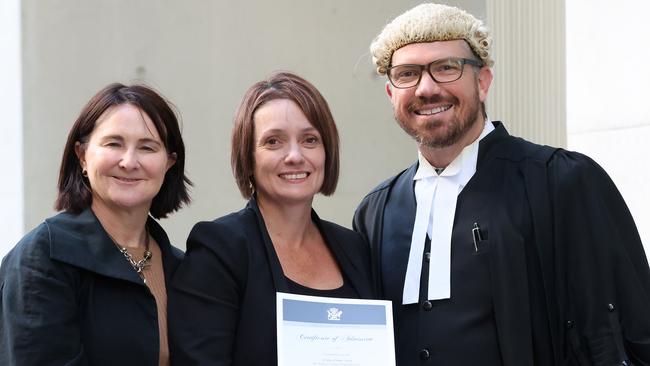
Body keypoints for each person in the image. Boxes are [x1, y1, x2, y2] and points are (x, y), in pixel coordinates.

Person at [353, 3, 650, 365]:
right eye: (407, 74)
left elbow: (632, 330)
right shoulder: (375, 213)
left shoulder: (562, 181)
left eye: (446, 68)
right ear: (390, 94)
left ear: (482, 82)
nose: (426, 89)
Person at [169, 71, 374, 365]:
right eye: (274, 142)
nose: (294, 155)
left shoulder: (355, 248)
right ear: (248, 158)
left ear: (327, 153)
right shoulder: (219, 250)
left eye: (310, 140)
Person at [0, 83, 191, 366]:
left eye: (147, 147)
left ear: (169, 163)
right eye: (114, 143)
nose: (129, 161)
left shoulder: (183, 269)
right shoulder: (44, 258)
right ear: (82, 156)